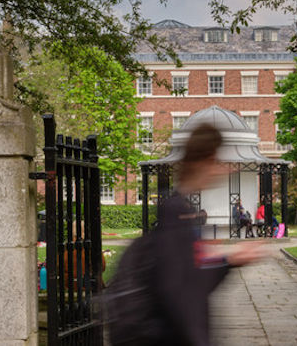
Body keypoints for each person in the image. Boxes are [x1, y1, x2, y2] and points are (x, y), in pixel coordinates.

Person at [105, 124, 266, 346]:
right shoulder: (177, 215)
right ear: (205, 161)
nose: (222, 169)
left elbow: (190, 277)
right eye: (217, 162)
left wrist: (229, 261)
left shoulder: (180, 212)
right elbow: (179, 295)